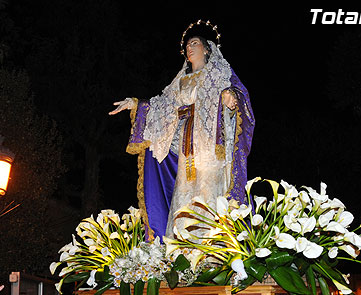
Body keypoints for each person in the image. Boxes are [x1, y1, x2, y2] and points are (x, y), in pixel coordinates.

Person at [109, 22, 255, 241]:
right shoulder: (181, 81)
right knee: (184, 194)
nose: (190, 47)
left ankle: (212, 248)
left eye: (194, 43)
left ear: (207, 49)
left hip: (209, 147)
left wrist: (229, 97)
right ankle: (181, 248)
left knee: (208, 191)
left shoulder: (218, 74)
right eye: (187, 45)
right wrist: (136, 104)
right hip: (187, 148)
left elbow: (237, 94)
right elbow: (163, 106)